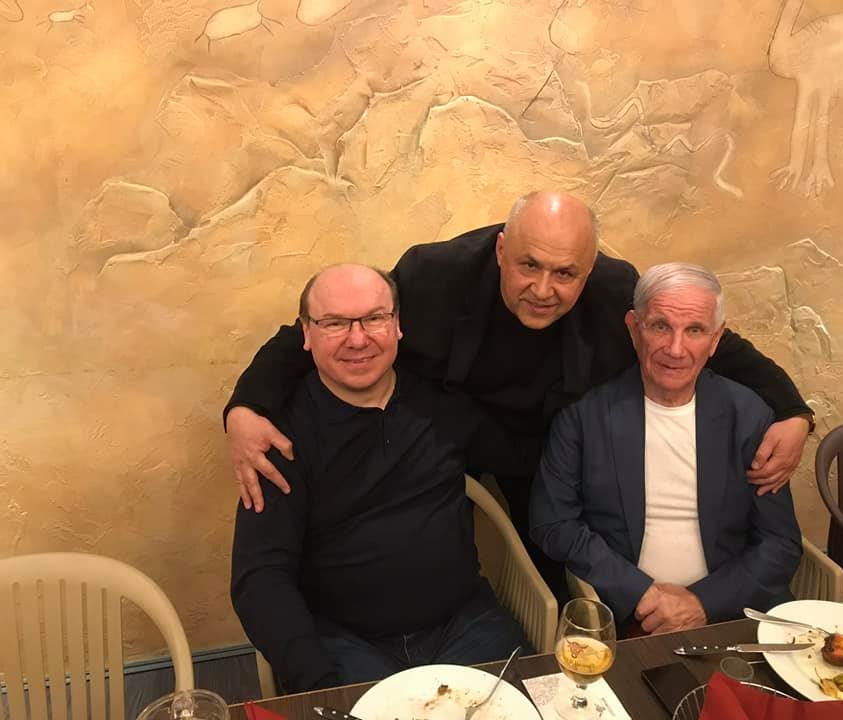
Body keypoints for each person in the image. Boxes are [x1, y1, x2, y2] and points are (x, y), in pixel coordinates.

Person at [224, 192, 812, 581]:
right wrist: (245, 407)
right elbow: (325, 327)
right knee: (406, 553)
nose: (544, 289)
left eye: (565, 273)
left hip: (543, 443)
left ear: (590, 268)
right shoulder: (435, 272)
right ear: (502, 249)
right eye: (529, 265)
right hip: (443, 428)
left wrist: (792, 412)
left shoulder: (615, 290)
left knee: (551, 570)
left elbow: (707, 343)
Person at [231, 265, 531, 692]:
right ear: (306, 333)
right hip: (345, 644)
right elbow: (260, 575)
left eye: (374, 318)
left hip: (466, 624)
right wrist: (318, 679)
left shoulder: (444, 403)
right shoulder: (280, 437)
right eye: (334, 323)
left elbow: (524, 455)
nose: (357, 339)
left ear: (398, 324)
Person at [529, 263, 802, 636]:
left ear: (715, 340)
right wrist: (641, 594)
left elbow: (779, 543)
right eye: (660, 326)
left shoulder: (749, 416)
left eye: (695, 330)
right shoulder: (584, 416)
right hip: (627, 618)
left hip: (731, 614)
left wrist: (702, 603)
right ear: (634, 328)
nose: (675, 349)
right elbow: (553, 522)